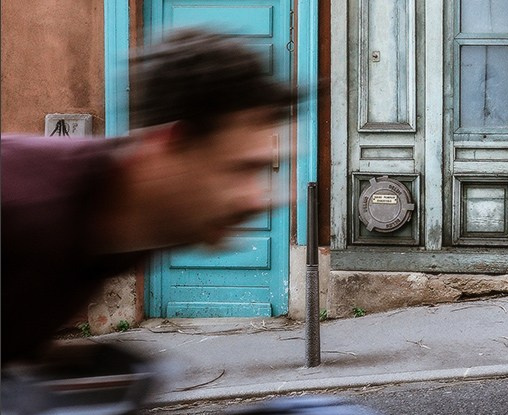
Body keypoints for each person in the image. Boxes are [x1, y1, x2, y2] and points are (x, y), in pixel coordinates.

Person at [1, 28, 299, 365]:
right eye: (240, 169)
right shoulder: (24, 210)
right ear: (169, 143)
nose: (259, 199)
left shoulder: (122, 228)